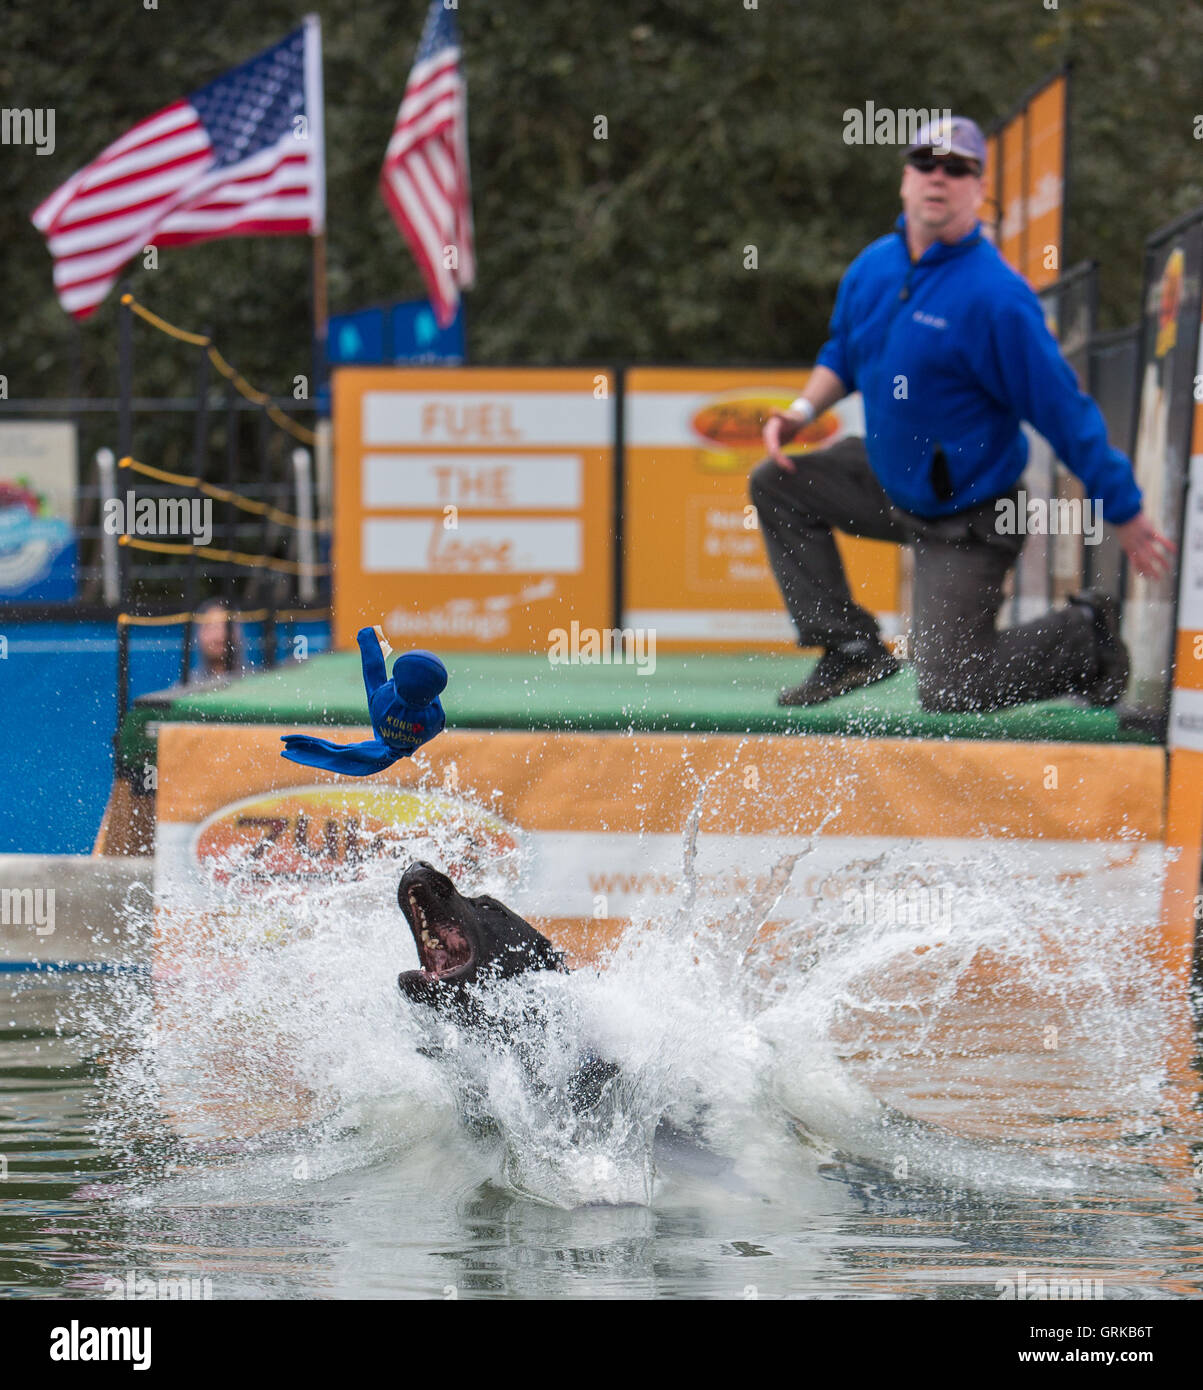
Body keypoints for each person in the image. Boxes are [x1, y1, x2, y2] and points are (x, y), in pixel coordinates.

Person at [751, 116, 1175, 711]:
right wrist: (800, 411)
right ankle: (849, 648)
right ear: (904, 178)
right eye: (925, 161)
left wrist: (1124, 508)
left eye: (958, 167)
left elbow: (1064, 412)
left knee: (952, 687)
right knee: (777, 482)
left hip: (972, 512)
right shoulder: (873, 266)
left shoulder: (996, 298)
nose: (938, 176)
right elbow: (844, 350)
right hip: (890, 480)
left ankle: (1086, 638)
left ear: (978, 189)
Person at [193, 598, 246, 679]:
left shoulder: (253, 681)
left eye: (225, 626)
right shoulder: (187, 687)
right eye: (211, 627)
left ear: (238, 632)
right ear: (199, 634)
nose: (218, 635)